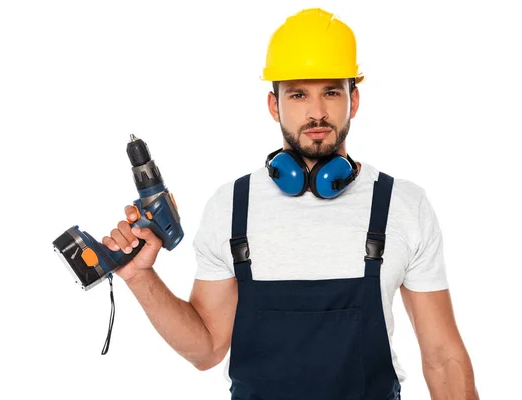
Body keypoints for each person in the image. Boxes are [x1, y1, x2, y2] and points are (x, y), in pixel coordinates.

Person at [101, 7, 479, 399]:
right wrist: (139, 276)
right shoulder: (232, 207)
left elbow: (442, 357)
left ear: (355, 99)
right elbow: (206, 349)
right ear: (274, 105)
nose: (316, 112)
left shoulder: (402, 204)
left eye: (331, 91)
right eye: (298, 94)